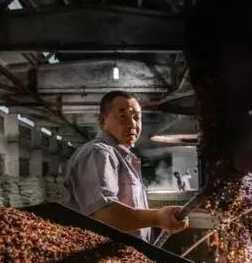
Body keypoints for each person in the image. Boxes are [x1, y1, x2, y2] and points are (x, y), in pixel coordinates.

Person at [62, 90, 188, 242]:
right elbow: (105, 215)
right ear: (102, 121)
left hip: (125, 258)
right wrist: (157, 217)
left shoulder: (121, 157)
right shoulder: (98, 153)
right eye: (123, 116)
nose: (132, 124)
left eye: (136, 117)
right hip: (104, 260)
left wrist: (157, 221)